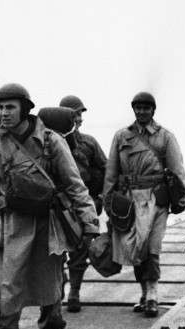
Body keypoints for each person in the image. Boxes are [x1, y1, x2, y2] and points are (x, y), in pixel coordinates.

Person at [0, 83, 100, 329]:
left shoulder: (51, 141)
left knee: (50, 294)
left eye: (10, 107)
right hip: (10, 227)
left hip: (46, 227)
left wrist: (90, 225)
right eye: (0, 108)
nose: (4, 113)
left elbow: (74, 186)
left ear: (25, 109)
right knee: (1, 294)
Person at [103, 92, 185, 317]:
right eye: (138, 107)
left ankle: (152, 294)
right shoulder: (122, 136)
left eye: (146, 108)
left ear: (153, 110)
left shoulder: (165, 137)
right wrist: (108, 199)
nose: (141, 111)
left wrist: (181, 197)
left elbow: (177, 170)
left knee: (152, 247)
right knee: (135, 248)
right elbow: (111, 171)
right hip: (130, 201)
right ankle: (143, 292)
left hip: (156, 199)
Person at [58, 95, 107, 312]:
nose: (77, 118)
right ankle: (57, 286)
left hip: (82, 203)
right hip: (56, 206)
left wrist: (101, 199)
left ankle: (74, 291)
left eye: (79, 114)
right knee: (55, 250)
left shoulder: (89, 143)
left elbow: (107, 172)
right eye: (73, 114)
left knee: (79, 251)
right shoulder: (48, 142)